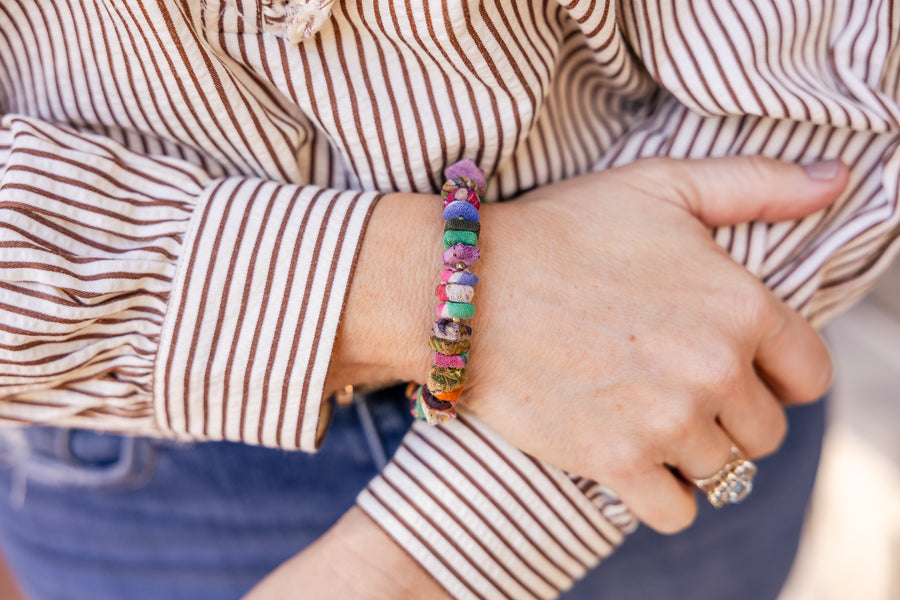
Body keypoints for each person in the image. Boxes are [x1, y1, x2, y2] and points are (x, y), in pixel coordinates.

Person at [0, 0, 896, 599]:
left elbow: (837, 91)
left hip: (672, 391)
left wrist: (398, 563)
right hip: (148, 462)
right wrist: (431, 288)